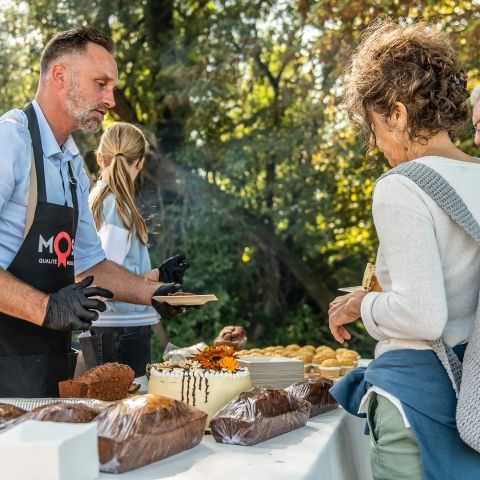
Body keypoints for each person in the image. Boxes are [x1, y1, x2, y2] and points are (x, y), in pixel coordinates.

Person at [327, 21, 480, 479]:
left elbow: (421, 315)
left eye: (373, 127)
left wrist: (362, 303)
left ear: (396, 114)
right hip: (471, 392)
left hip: (416, 401)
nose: (374, 143)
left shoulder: (401, 186)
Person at [0, 27, 183, 398]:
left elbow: (90, 264)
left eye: (112, 87)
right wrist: (47, 308)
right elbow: (50, 305)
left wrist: (153, 293)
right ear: (60, 76)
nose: (110, 99)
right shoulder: (9, 141)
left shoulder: (71, 167)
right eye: (101, 83)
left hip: (47, 363)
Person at [87, 122, 188, 376]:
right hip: (121, 331)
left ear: (100, 158)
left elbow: (113, 270)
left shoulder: (99, 201)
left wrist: (158, 275)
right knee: (125, 412)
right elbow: (105, 283)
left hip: (112, 329)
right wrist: (155, 286)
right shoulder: (117, 207)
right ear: (140, 162)